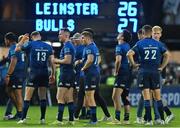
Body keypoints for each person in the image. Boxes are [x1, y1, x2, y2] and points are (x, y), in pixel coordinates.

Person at [127, 25, 170, 125]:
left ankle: (149, 120)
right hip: (155, 72)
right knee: (157, 98)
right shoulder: (157, 43)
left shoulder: (140, 43)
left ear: (143, 33)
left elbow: (129, 54)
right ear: (151, 33)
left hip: (143, 72)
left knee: (146, 98)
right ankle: (161, 120)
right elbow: (167, 55)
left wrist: (133, 64)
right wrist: (162, 67)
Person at [16, 31, 55, 124]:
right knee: (42, 97)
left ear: (32, 37)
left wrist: (22, 39)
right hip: (45, 73)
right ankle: (42, 119)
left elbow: (17, 49)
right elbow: (52, 61)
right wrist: (53, 74)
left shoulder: (30, 44)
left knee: (27, 97)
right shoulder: (48, 46)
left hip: (34, 73)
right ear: (40, 36)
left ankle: (23, 119)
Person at [52, 28, 75, 125]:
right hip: (70, 74)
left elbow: (67, 60)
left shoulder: (67, 46)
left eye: (60, 34)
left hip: (65, 74)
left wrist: (55, 60)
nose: (59, 36)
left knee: (59, 97)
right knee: (69, 98)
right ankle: (71, 120)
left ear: (66, 35)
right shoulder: (69, 45)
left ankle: (59, 120)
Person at [152, 25, 174, 124]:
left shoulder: (162, 45)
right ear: (152, 33)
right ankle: (164, 115)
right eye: (154, 33)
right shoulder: (150, 44)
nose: (156, 35)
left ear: (160, 34)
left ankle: (162, 116)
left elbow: (166, 60)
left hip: (159, 75)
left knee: (157, 96)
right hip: (152, 74)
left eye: (158, 33)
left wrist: (164, 75)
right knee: (156, 96)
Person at [110, 30, 132, 124]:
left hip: (122, 73)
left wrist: (116, 71)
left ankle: (117, 119)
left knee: (115, 96)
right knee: (124, 96)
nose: (118, 34)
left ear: (122, 37)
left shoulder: (119, 46)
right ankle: (126, 119)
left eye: (120, 34)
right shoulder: (128, 46)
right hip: (128, 73)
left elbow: (118, 60)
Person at [4, 32, 26, 120]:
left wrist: (8, 75)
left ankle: (20, 115)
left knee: (18, 94)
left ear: (8, 40)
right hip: (20, 73)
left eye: (5, 40)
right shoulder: (20, 47)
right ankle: (19, 112)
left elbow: (13, 61)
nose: (5, 41)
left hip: (16, 73)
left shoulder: (14, 48)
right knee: (9, 90)